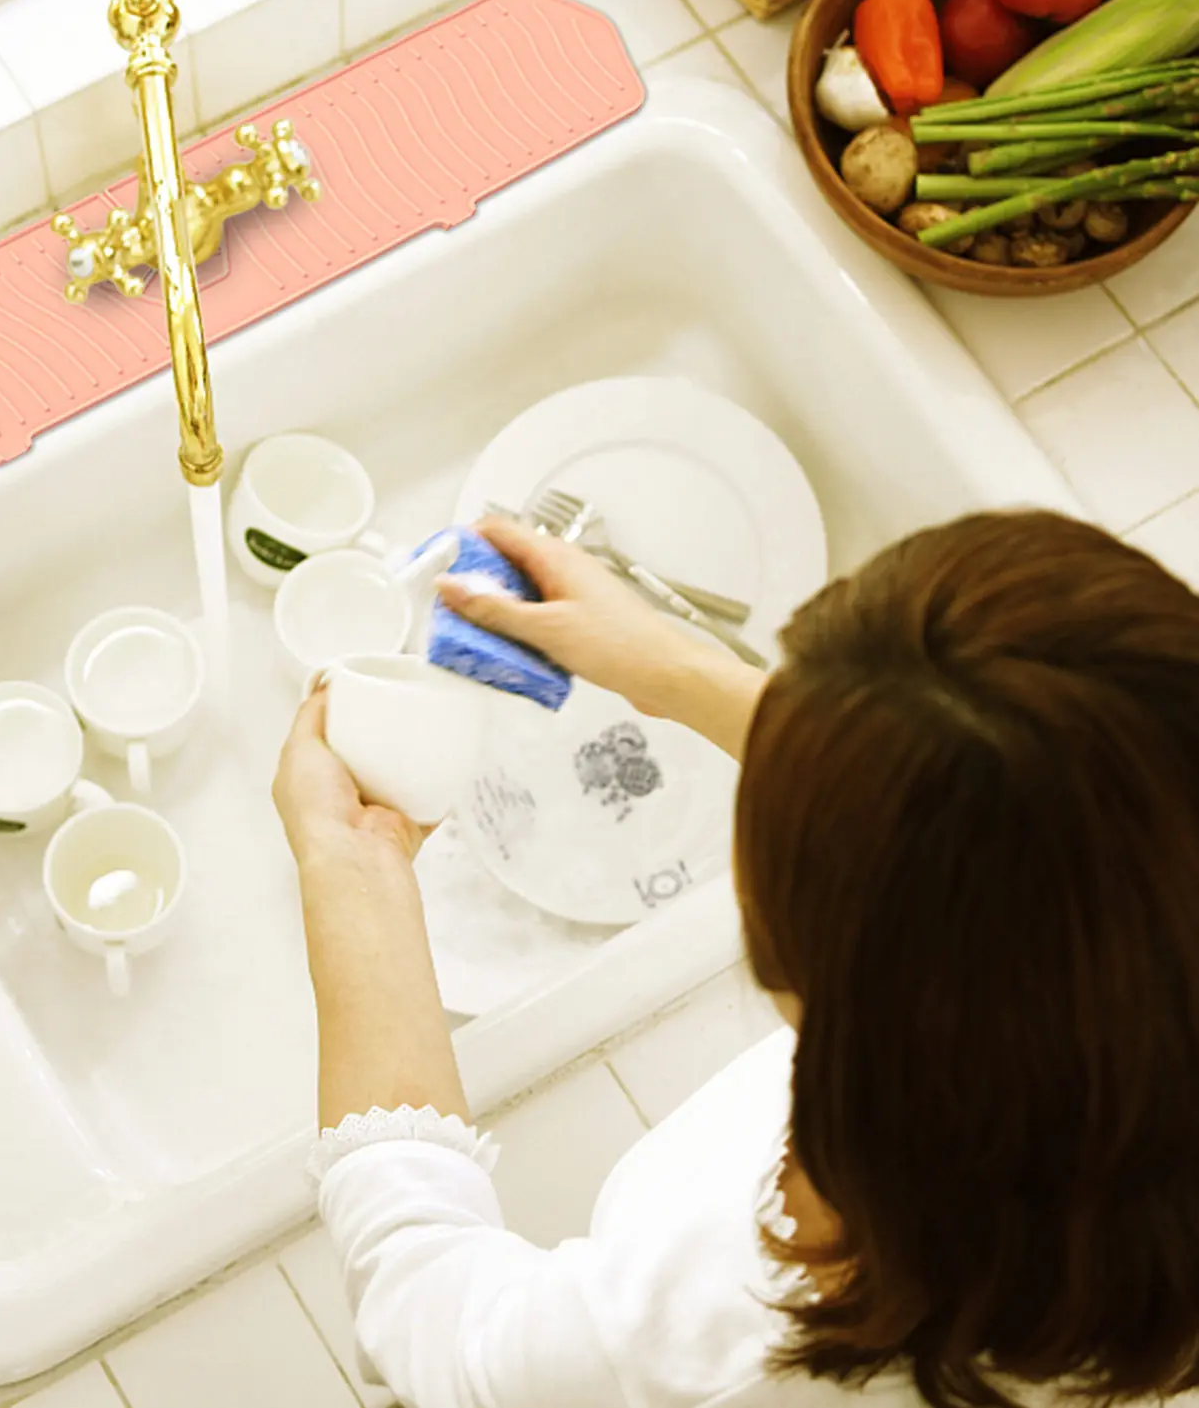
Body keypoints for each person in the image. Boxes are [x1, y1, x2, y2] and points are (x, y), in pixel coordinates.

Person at [272, 508, 1199, 1408]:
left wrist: (351, 869)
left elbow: (448, 1335)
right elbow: (1060, 815)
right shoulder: (1079, 1023)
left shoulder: (756, 1310)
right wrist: (678, 672)